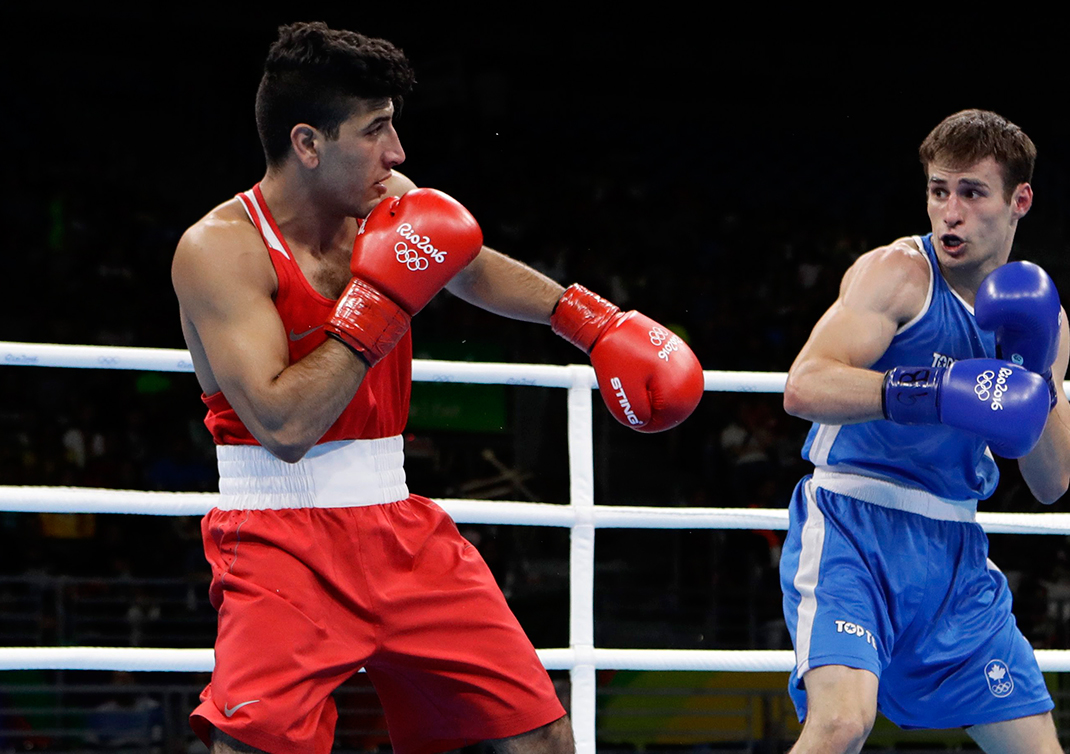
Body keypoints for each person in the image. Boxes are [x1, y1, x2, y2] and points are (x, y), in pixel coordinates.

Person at [170, 22, 703, 754]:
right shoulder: (218, 251)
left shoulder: (389, 203)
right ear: (307, 143)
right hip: (278, 540)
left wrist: (589, 322)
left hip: (399, 528)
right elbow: (285, 427)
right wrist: (377, 302)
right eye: (376, 130)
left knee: (539, 739)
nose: (398, 153)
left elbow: (466, 261)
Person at [779, 109, 1070, 754]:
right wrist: (931, 392)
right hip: (852, 527)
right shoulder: (897, 274)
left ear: (1018, 200)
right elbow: (805, 386)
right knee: (840, 723)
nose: (950, 213)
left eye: (972, 193)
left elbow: (1053, 478)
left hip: (954, 550)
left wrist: (1032, 371)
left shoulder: (1041, 319)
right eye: (939, 191)